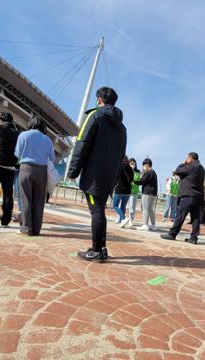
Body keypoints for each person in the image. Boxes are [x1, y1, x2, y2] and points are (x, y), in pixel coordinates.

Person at [68, 87, 126, 262]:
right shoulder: (122, 127)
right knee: (99, 209)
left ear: (99, 100)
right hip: (108, 176)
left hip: (94, 174)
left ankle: (96, 250)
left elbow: (82, 143)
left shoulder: (94, 116)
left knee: (96, 211)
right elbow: (121, 155)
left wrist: (73, 170)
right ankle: (101, 247)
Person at [15, 115, 55, 236]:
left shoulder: (23, 135)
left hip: (26, 168)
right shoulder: (47, 139)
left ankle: (26, 228)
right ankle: (37, 229)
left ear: (30, 124)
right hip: (42, 171)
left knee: (26, 198)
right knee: (39, 200)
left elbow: (17, 153)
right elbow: (52, 157)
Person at [160, 152, 205, 244]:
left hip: (189, 195)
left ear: (191, 158)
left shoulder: (191, 166)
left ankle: (172, 234)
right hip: (198, 196)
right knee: (196, 218)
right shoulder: (202, 168)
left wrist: (183, 163)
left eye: (187, 158)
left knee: (180, 215)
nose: (186, 160)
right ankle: (194, 238)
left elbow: (177, 171)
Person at [134, 158, 158, 231]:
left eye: (144, 166)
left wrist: (134, 181)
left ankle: (145, 225)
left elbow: (141, 181)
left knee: (145, 209)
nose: (143, 167)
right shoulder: (154, 173)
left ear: (147, 165)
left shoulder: (148, 172)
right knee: (150, 210)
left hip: (147, 193)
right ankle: (153, 225)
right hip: (153, 194)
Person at [112, 156, 134, 224]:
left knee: (115, 205)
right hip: (128, 190)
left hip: (119, 189)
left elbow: (115, 178)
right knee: (123, 206)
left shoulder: (118, 167)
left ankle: (124, 218)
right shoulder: (130, 169)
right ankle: (122, 221)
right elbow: (132, 179)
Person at [122, 158, 141, 228]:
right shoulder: (125, 171)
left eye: (133, 163)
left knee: (132, 207)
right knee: (123, 205)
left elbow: (139, 181)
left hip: (134, 191)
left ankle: (130, 220)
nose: (132, 165)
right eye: (131, 163)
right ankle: (121, 218)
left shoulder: (138, 172)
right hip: (126, 190)